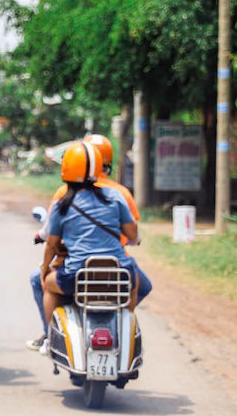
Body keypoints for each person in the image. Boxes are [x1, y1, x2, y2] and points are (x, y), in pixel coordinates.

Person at [26, 134, 150, 350]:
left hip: (77, 275)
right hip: (117, 272)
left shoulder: (62, 202)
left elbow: (52, 244)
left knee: (44, 282)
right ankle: (124, 327)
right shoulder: (117, 195)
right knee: (136, 280)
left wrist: (45, 270)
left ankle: (50, 339)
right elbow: (132, 234)